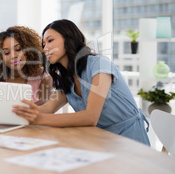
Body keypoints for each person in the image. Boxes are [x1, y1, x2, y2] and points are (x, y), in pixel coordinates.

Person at [13, 19, 150, 145]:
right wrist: (14, 111)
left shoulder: (99, 64)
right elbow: (48, 108)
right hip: (102, 140)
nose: (45, 48)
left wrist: (39, 119)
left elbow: (91, 116)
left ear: (69, 39)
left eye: (50, 41)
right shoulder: (65, 77)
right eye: (43, 44)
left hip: (131, 140)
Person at [0, 26, 53, 119]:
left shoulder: (43, 77)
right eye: (6, 53)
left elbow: (46, 107)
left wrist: (5, 111)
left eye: (18, 49)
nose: (13, 56)